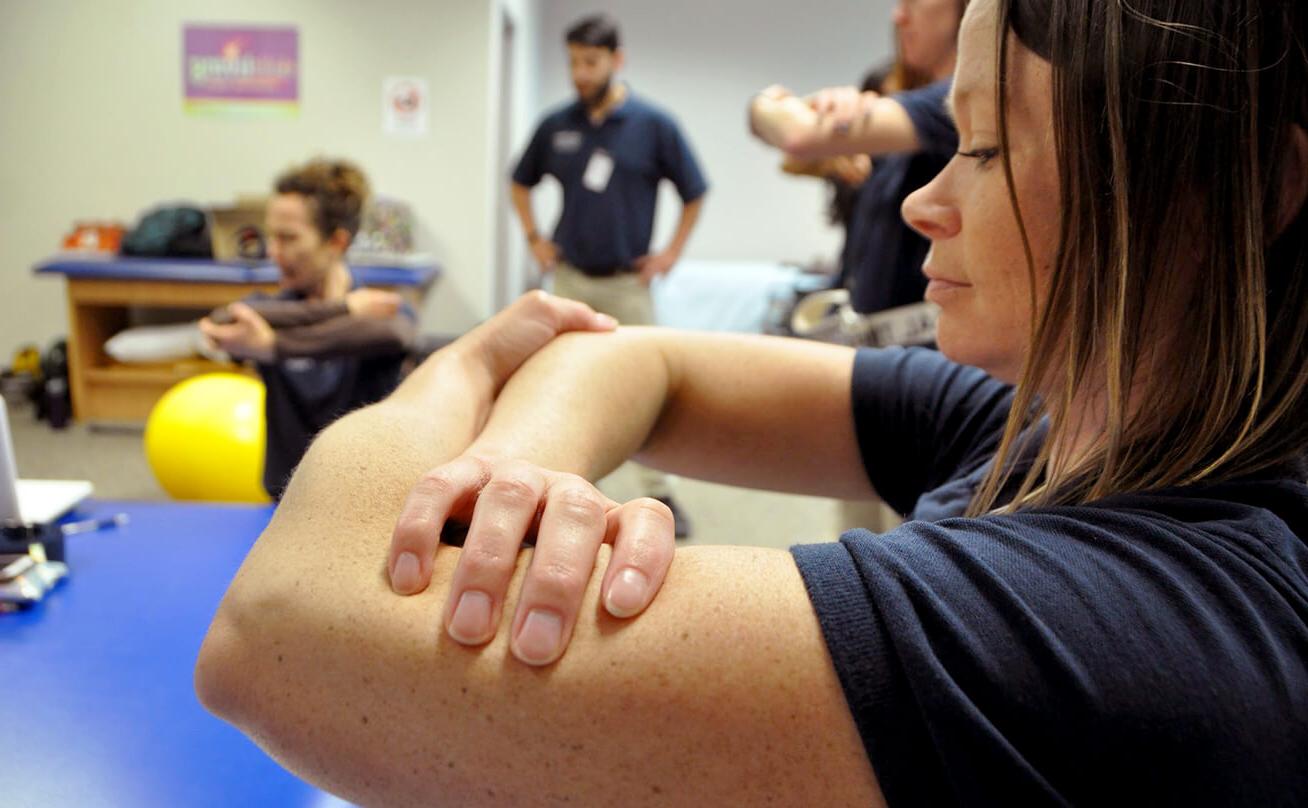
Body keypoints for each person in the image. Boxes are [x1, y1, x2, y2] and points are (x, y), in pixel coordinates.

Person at [196, 0, 1308, 803]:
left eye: (985, 145)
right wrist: (520, 476)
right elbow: (635, 363)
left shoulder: (1127, 621)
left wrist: (444, 375)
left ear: (1240, 187)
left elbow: (279, 630)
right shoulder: (1048, 429)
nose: (922, 200)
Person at [510, 13, 707, 538]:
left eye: (591, 62)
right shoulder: (557, 126)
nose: (580, 72)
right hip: (571, 278)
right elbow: (519, 182)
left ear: (617, 62)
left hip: (628, 283)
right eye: (573, 61)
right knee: (559, 383)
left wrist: (669, 254)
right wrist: (534, 237)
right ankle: (562, 484)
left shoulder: (653, 125)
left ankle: (659, 492)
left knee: (648, 387)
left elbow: (695, 190)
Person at [200, 159, 416, 499]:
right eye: (271, 235)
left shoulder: (382, 311)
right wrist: (342, 307)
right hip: (285, 499)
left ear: (337, 242)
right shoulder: (270, 309)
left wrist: (273, 347)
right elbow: (222, 319)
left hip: (359, 499)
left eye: (289, 238)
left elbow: (397, 333)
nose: (274, 251)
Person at [750, 0, 963, 339]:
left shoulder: (959, 102)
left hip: (919, 349)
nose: (899, 15)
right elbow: (795, 159)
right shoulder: (910, 133)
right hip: (875, 337)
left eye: (915, 2)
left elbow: (796, 135)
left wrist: (766, 101)